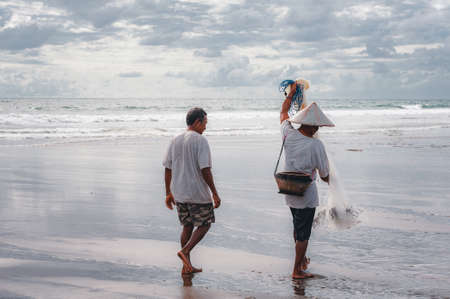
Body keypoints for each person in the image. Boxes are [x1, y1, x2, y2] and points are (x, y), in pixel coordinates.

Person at [279, 82, 334, 279]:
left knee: (297, 227)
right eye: (316, 124)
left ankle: (301, 261)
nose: (318, 127)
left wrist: (290, 94)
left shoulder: (288, 133)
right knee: (303, 235)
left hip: (289, 190)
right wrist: (332, 181)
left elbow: (283, 112)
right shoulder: (316, 145)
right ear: (310, 125)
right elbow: (324, 174)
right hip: (306, 195)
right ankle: (296, 271)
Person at [163, 107, 221, 274]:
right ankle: (186, 251)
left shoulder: (174, 139)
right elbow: (205, 169)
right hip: (197, 193)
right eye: (205, 123)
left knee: (187, 226)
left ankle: (186, 266)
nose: (205, 127)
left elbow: (167, 168)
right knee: (205, 224)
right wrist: (215, 193)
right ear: (197, 122)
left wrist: (168, 192)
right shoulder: (200, 140)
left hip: (179, 192)